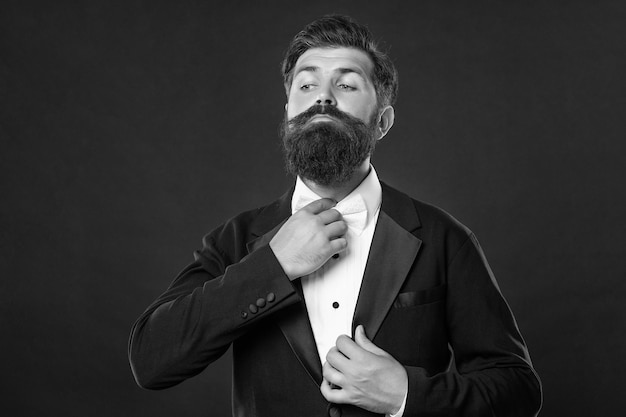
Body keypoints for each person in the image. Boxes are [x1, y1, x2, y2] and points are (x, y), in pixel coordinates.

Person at [129, 15, 542, 417]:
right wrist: (273, 265)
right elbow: (151, 360)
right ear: (289, 113)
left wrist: (406, 396)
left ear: (382, 121)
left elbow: (517, 389)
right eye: (307, 85)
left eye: (345, 84)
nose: (323, 97)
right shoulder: (235, 240)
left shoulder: (445, 239)